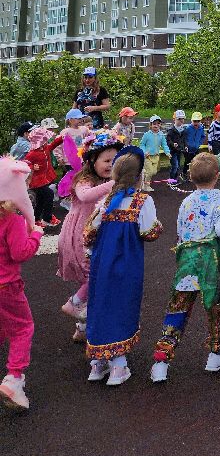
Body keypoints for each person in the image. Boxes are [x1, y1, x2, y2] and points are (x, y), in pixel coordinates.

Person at [150, 152, 220, 382]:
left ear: (191, 176)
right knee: (216, 308)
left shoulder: (186, 201)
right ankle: (216, 353)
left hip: (187, 262)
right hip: (211, 263)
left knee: (178, 307)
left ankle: (161, 359)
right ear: (217, 175)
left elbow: (180, 233)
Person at [84, 147, 162, 385]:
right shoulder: (142, 200)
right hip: (127, 265)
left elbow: (89, 232)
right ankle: (118, 366)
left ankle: (97, 365)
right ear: (140, 176)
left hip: (102, 263)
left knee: (100, 304)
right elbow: (149, 232)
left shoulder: (107, 201)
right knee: (122, 305)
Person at [57, 129, 122, 344]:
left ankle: (82, 328)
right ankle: (73, 303)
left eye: (115, 160)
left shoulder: (105, 180)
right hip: (79, 235)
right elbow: (85, 196)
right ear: (92, 160)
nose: (110, 165)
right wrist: (114, 183)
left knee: (96, 280)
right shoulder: (83, 179)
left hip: (93, 233)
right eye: (106, 160)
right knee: (94, 276)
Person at [0, 156, 44, 412]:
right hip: (7, 287)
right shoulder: (13, 220)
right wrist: (36, 235)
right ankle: (14, 379)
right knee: (22, 328)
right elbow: (21, 253)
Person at [24, 125, 65, 228]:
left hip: (43, 179)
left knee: (41, 200)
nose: (46, 141)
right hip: (36, 181)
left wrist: (61, 138)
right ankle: (47, 217)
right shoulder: (32, 154)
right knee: (49, 194)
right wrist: (32, 166)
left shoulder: (45, 148)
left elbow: (53, 145)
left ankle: (36, 219)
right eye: (44, 139)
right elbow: (25, 163)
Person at [139, 115, 171, 192]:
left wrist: (167, 152)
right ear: (151, 125)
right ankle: (146, 185)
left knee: (154, 172)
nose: (156, 125)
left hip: (156, 156)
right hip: (147, 156)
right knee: (150, 172)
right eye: (154, 124)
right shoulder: (147, 134)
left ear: (160, 125)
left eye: (158, 123)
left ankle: (143, 174)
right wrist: (144, 152)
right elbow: (142, 144)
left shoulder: (161, 135)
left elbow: (164, 145)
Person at [166, 110, 187, 182]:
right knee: (175, 166)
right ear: (174, 119)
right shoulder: (171, 130)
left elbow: (184, 140)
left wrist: (185, 146)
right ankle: (171, 180)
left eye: (182, 119)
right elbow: (168, 140)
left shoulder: (183, 130)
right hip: (172, 151)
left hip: (179, 150)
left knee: (178, 166)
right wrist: (173, 144)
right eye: (179, 119)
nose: (181, 120)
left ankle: (174, 179)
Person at [183, 113, 206, 177]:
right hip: (188, 149)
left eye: (198, 121)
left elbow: (203, 136)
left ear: (200, 121)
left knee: (196, 162)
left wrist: (199, 143)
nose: (196, 123)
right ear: (191, 121)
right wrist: (186, 145)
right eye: (194, 121)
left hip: (196, 148)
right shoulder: (188, 128)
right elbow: (183, 137)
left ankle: (193, 174)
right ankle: (184, 173)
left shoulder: (201, 128)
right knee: (187, 162)